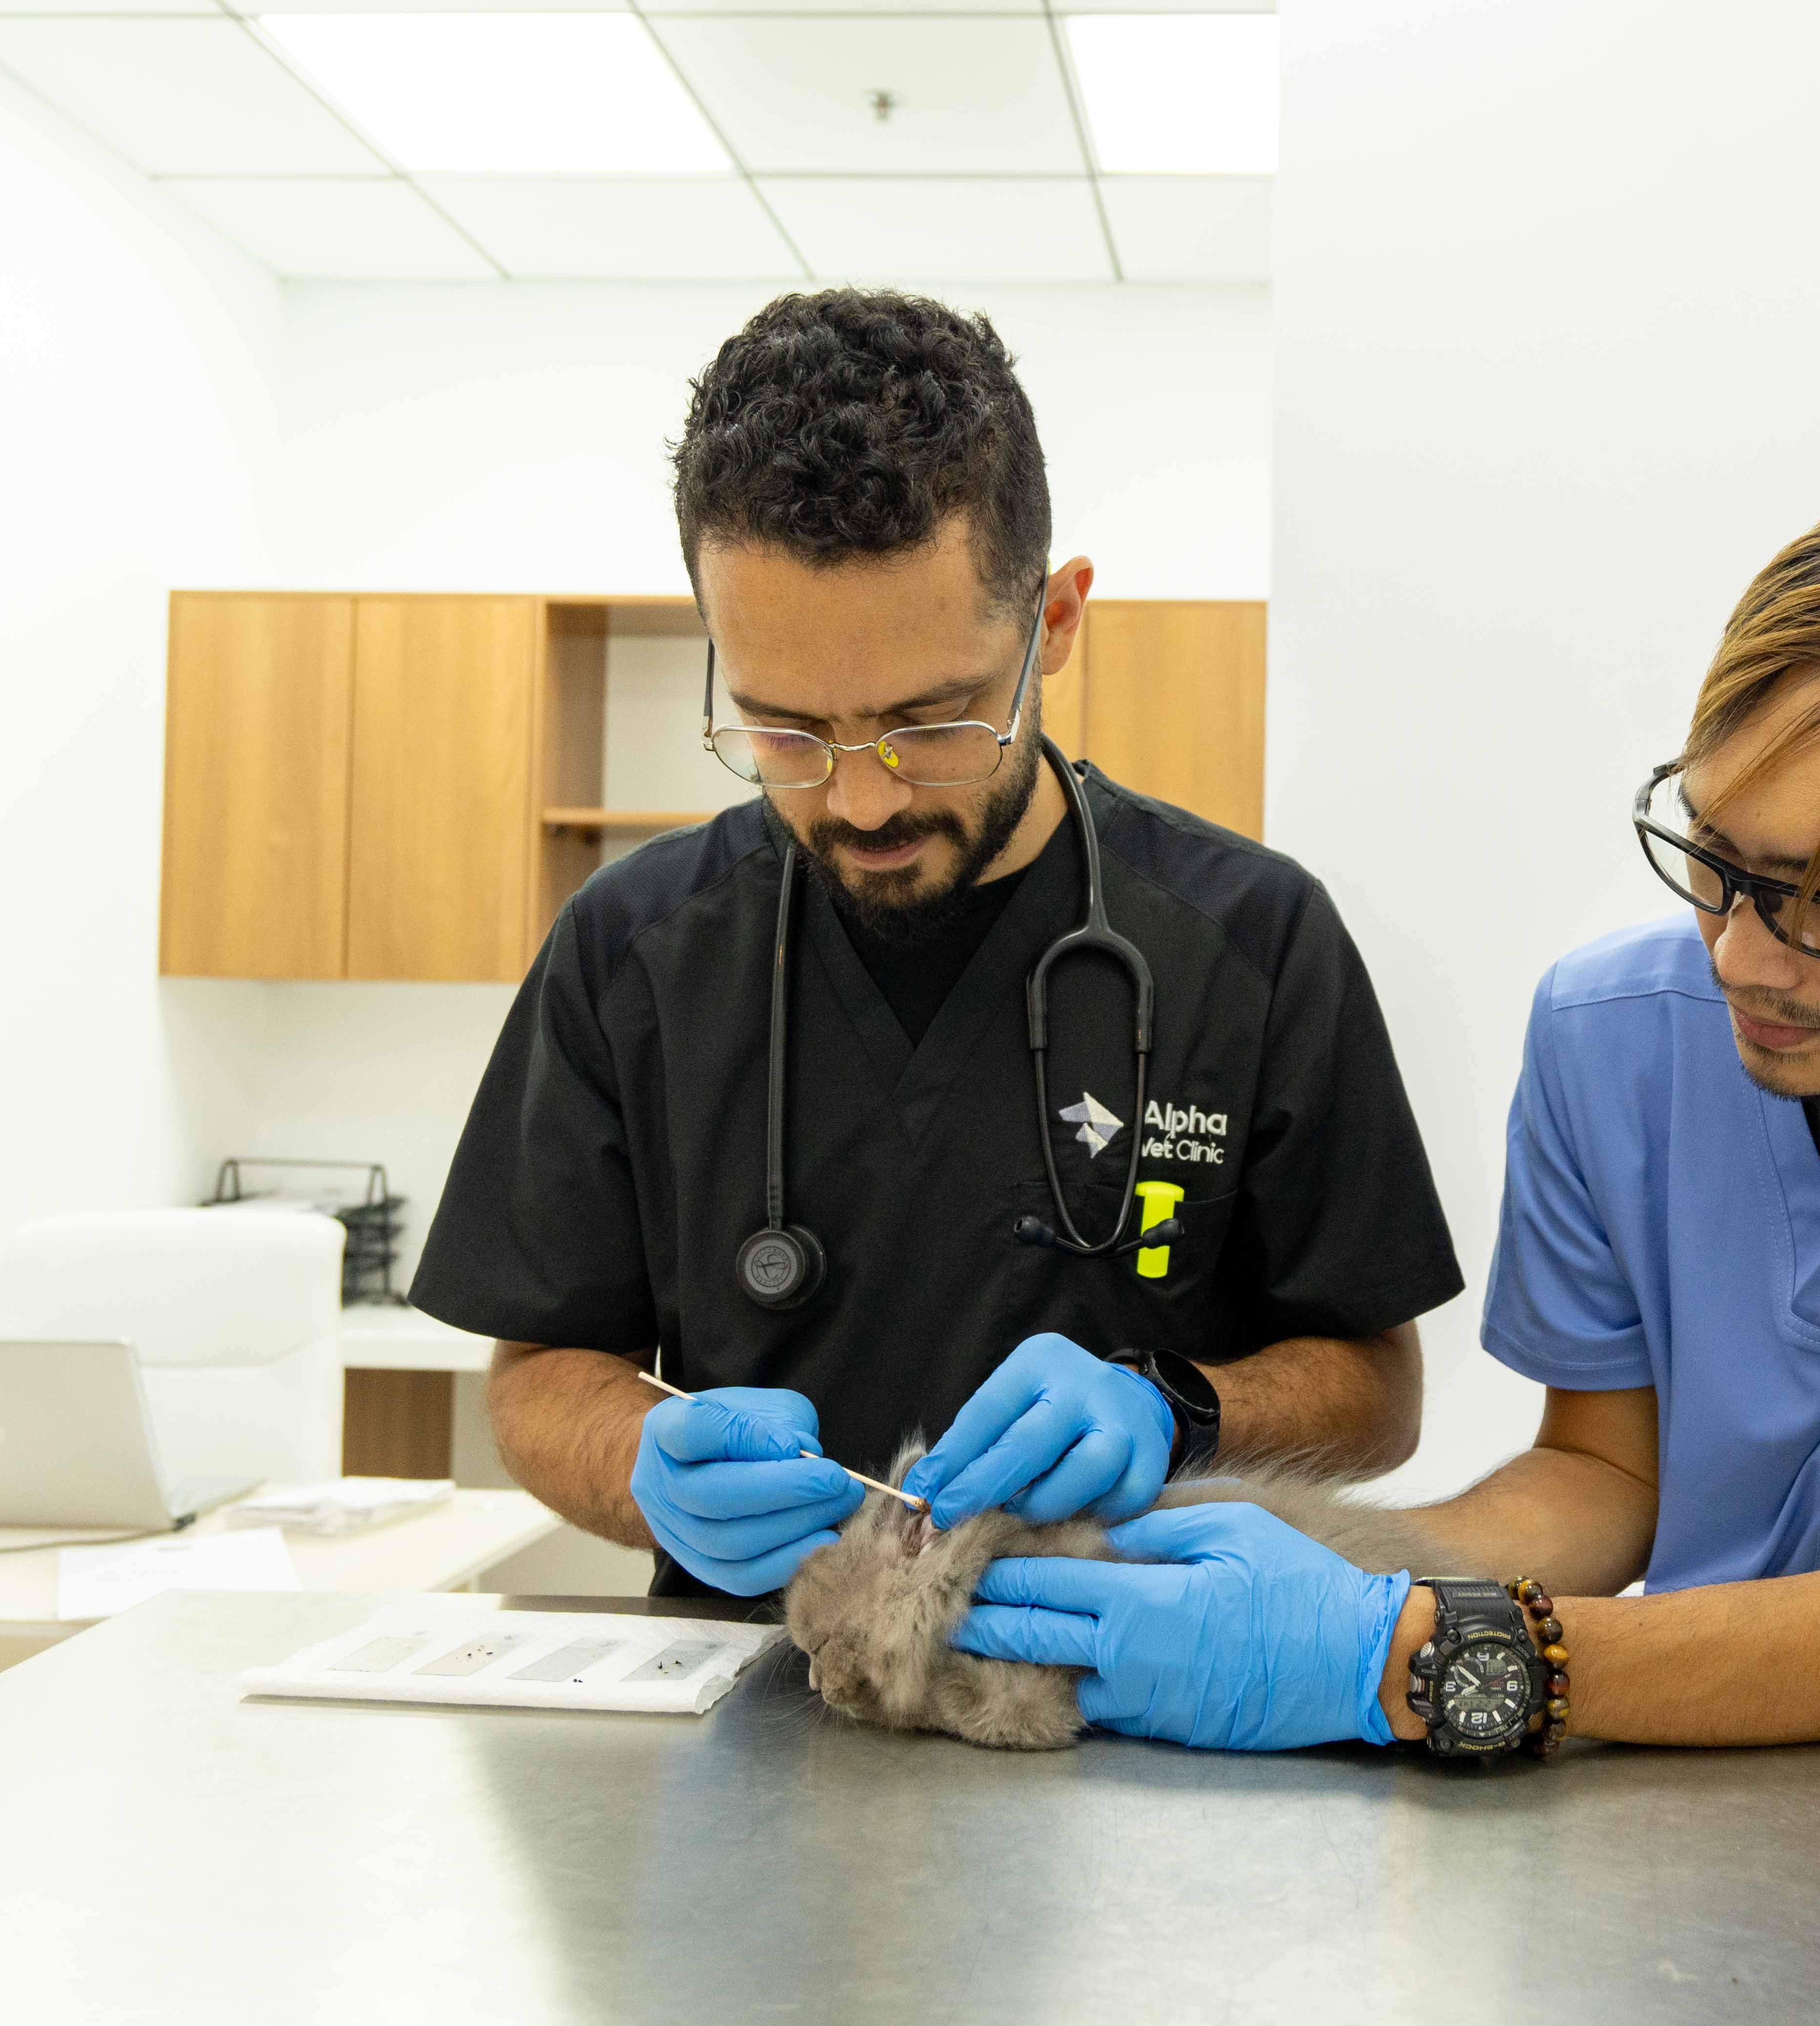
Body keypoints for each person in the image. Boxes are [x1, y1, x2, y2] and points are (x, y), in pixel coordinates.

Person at [956, 485, 1820, 1753]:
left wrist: (1411, 1662)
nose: (1741, 958)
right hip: (1728, 1756)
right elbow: (1605, 1485)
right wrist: (1290, 1561)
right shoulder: (1611, 1035)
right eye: (1718, 858)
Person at [409, 289, 1461, 1602]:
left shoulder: (1252, 940)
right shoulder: (634, 952)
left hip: (1136, 1704)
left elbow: (1378, 1392)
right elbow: (540, 1377)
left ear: (1055, 623)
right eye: (787, 730)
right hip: (754, 1697)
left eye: (932, 719)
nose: (862, 800)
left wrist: (1178, 1411)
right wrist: (645, 1463)